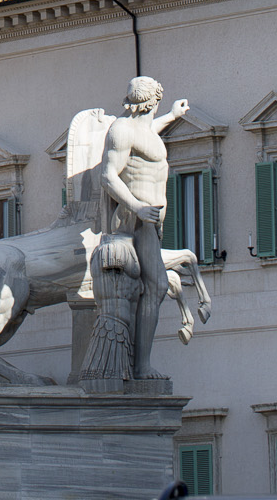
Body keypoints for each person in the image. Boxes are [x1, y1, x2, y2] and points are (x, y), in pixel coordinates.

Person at [96, 77, 189, 378]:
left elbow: (147, 134)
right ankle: (141, 366)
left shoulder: (142, 129)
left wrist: (173, 117)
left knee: (155, 287)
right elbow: (108, 176)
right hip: (134, 220)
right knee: (158, 286)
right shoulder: (122, 130)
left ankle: (140, 362)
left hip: (149, 221)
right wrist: (137, 207)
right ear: (154, 100)